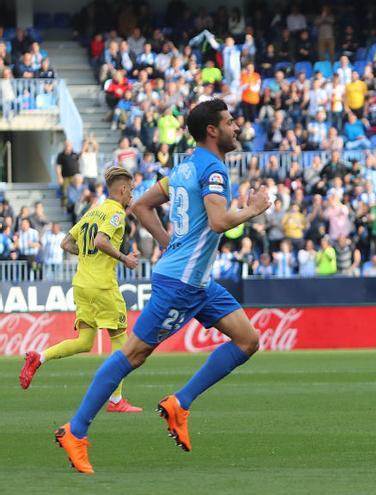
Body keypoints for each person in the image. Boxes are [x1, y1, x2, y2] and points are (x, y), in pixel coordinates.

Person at [54, 99, 271, 474]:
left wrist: (168, 241)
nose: (237, 127)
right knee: (133, 355)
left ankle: (180, 403)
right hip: (182, 284)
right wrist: (253, 209)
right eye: (230, 122)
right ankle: (75, 431)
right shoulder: (214, 169)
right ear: (212, 131)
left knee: (247, 340)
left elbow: (140, 205)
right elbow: (219, 221)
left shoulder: (185, 166)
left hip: (197, 282)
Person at [20, 167, 142, 413]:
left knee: (85, 341)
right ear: (123, 189)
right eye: (132, 190)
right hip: (102, 284)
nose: (133, 195)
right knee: (120, 339)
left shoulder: (92, 212)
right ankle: (116, 400)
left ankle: (39, 357)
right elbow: (100, 241)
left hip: (81, 283)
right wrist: (124, 259)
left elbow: (66, 243)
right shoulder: (116, 213)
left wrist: (87, 254)